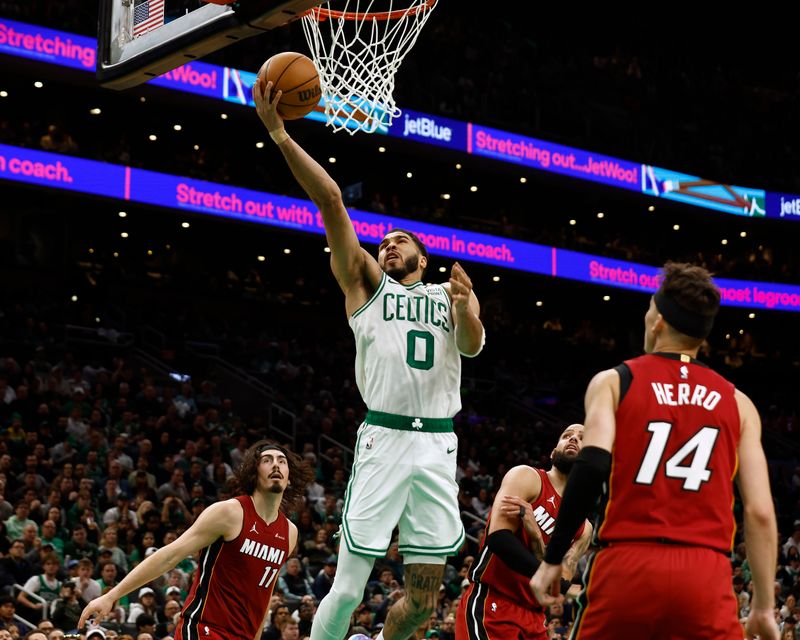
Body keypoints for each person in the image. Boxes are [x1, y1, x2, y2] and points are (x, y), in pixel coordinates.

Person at [254, 77, 485, 640]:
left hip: (437, 445)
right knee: (351, 587)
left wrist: (467, 308)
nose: (389, 244)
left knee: (425, 603)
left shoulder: (448, 293)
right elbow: (332, 200)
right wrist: (281, 134)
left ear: (423, 258)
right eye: (385, 241)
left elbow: (474, 345)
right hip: (384, 438)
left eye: (401, 241)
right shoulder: (366, 285)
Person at [530, 262, 780, 640]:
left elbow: (591, 463)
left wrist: (553, 558)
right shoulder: (739, 402)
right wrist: (763, 606)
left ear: (658, 321)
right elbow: (760, 512)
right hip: (705, 573)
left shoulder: (614, 381)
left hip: (626, 564)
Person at [79, 442, 312, 640]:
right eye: (267, 460)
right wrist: (112, 596)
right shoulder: (230, 513)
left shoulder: (289, 533)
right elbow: (169, 555)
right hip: (203, 629)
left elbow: (264, 593)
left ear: (289, 477)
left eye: (282, 461)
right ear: (254, 472)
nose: (275, 465)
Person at [455, 424, 592, 639]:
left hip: (535, 618)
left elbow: (552, 585)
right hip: (493, 601)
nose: (573, 439)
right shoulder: (526, 477)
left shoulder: (584, 529)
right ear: (553, 452)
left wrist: (536, 536)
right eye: (567, 435)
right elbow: (498, 539)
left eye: (581, 438)